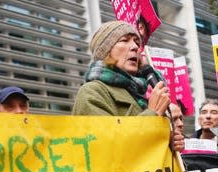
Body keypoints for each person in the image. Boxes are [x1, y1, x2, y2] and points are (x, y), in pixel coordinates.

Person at [72, 20, 184, 152]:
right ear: (105, 52)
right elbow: (104, 148)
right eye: (124, 40)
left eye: (137, 42)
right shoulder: (92, 92)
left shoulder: (138, 94)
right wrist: (152, 114)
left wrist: (169, 144)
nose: (135, 47)